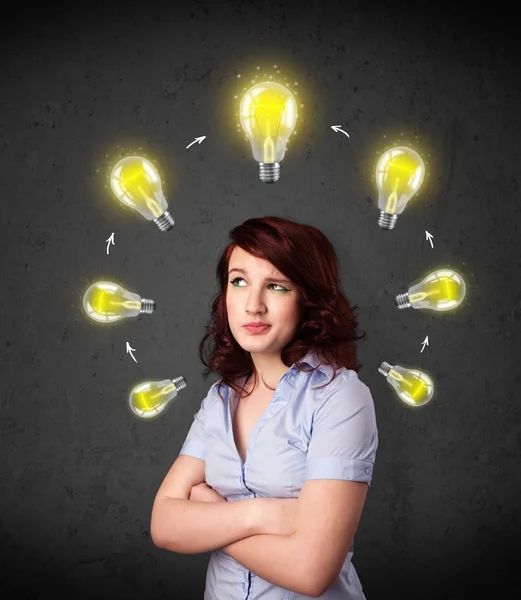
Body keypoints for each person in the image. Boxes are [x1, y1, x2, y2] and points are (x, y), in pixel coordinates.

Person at [150, 216, 379, 599]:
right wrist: (262, 515)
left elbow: (310, 572)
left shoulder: (340, 397)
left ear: (309, 298)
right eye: (239, 281)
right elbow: (163, 525)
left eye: (276, 286)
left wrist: (212, 518)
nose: (253, 305)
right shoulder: (219, 400)